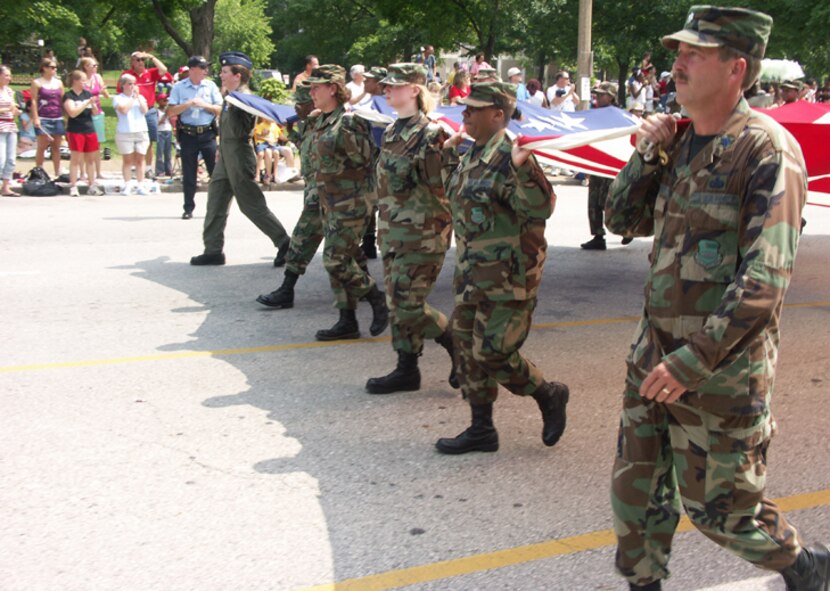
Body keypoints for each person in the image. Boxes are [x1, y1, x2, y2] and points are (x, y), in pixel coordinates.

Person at [604, 7, 830, 591]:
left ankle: (806, 568)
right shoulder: (678, 142)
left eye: (695, 53)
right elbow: (620, 219)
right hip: (652, 356)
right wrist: (646, 155)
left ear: (736, 68)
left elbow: (766, 278)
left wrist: (695, 359)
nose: (678, 61)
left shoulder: (765, 150)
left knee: (723, 512)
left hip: (720, 370)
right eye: (680, 50)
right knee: (636, 495)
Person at [435, 82, 569, 455]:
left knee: (493, 352)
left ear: (497, 114)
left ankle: (548, 394)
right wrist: (448, 157)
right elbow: (459, 199)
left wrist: (524, 169)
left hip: (510, 275)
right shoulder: (473, 154)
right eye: (465, 108)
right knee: (465, 346)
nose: (465, 114)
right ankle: (481, 429)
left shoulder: (514, 155)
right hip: (473, 274)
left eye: (473, 109)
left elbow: (541, 208)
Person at [363, 63, 456, 394]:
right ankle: (406, 369)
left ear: (415, 90)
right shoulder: (391, 131)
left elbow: (441, 188)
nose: (386, 90)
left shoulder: (432, 135)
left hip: (423, 235)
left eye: (394, 86)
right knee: (396, 304)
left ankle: (455, 341)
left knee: (408, 305)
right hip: (392, 233)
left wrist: (440, 155)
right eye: (385, 86)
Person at [305, 64, 388, 341]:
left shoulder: (349, 121)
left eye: (317, 87)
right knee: (346, 256)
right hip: (330, 200)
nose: (312, 92)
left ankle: (376, 298)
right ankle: (347, 319)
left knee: (335, 260)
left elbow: (364, 160)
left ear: (333, 89)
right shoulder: (321, 120)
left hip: (351, 201)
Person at [189, 52, 290, 267]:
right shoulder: (231, 96)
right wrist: (220, 147)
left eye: (225, 72)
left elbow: (245, 125)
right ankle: (213, 250)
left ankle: (284, 243)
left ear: (238, 75)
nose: (221, 75)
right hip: (226, 153)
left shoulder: (244, 99)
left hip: (239, 154)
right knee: (215, 201)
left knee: (251, 204)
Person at [256, 82, 322, 309]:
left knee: (342, 254)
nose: (296, 109)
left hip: (332, 199)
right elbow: (301, 143)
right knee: (332, 250)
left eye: (300, 104)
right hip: (314, 194)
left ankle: (368, 295)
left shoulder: (331, 123)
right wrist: (291, 129)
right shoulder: (307, 124)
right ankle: (287, 290)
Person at [167, 55, 222, 219]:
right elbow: (171, 111)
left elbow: (220, 109)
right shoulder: (179, 87)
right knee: (189, 173)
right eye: (203, 67)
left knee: (215, 172)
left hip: (207, 133)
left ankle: (216, 208)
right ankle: (188, 208)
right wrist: (189, 104)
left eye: (206, 67)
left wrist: (206, 105)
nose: (206, 71)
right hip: (188, 134)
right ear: (192, 70)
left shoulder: (210, 86)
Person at [580, 82, 630, 250]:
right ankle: (598, 235)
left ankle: (626, 229)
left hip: (613, 165)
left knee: (612, 200)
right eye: (597, 95)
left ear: (611, 96)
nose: (598, 97)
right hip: (596, 163)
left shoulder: (621, 116)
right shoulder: (596, 114)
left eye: (601, 95)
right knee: (594, 202)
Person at [118, 50, 168, 177]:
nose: (141, 62)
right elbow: (120, 91)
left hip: (149, 110)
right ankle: (135, 167)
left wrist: (151, 57)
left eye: (142, 60)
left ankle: (148, 168)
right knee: (134, 139)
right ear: (132, 62)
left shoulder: (150, 73)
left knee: (148, 140)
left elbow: (163, 69)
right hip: (133, 111)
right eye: (138, 60)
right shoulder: (127, 75)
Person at [63, 70, 103, 197]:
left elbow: (95, 113)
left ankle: (91, 184)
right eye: (83, 80)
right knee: (76, 159)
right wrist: (86, 103)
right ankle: (73, 185)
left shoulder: (88, 94)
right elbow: (72, 113)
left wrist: (94, 105)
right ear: (75, 81)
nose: (85, 82)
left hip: (89, 129)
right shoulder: (69, 96)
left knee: (90, 159)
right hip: (75, 130)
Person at [112, 73, 150, 194]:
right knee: (127, 160)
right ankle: (127, 183)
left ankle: (140, 184)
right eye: (129, 84)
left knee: (140, 159)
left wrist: (137, 97)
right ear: (123, 85)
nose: (132, 86)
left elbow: (145, 110)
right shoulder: (118, 98)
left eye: (134, 83)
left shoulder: (140, 97)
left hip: (141, 130)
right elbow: (123, 110)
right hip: (125, 131)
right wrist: (132, 98)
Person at [30, 58, 65, 177]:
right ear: (44, 68)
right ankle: (39, 171)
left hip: (57, 116)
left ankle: (57, 171)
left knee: (56, 146)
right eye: (52, 67)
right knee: (42, 146)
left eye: (55, 68)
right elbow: (34, 101)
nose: (54, 70)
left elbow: (62, 99)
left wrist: (65, 116)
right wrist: (35, 117)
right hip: (43, 116)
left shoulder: (58, 83)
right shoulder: (37, 82)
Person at [80, 57, 109, 181]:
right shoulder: (81, 78)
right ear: (86, 66)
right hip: (83, 113)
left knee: (96, 144)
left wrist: (103, 91)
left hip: (97, 112)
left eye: (96, 65)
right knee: (82, 144)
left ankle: (98, 172)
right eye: (93, 65)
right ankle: (82, 172)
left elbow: (107, 96)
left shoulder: (97, 77)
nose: (96, 67)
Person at [0, 65, 20, 196]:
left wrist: (16, 111)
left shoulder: (9, 91)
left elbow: (12, 108)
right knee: (0, 158)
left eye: (9, 75)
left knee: (11, 158)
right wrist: (8, 110)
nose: (9, 78)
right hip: (0, 126)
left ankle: (6, 187)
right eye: (6, 75)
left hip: (11, 126)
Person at [253, 117, 279, 184]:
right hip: (262, 143)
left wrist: (273, 141)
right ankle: (259, 174)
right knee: (261, 154)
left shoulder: (274, 126)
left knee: (276, 153)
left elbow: (276, 138)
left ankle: (275, 174)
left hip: (271, 144)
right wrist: (264, 136)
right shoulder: (261, 125)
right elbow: (257, 136)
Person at [155, 93, 173, 177]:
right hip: (160, 132)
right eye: (164, 100)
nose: (166, 102)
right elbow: (156, 123)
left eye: (167, 100)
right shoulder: (156, 111)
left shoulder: (168, 110)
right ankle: (159, 170)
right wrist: (164, 117)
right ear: (159, 101)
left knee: (168, 152)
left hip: (168, 131)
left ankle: (168, 169)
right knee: (160, 152)